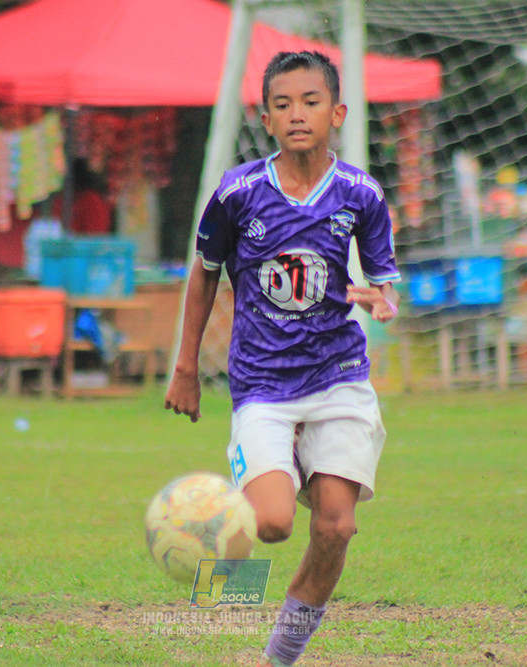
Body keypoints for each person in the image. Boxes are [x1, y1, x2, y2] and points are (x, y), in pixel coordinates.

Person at [164, 51, 401, 667]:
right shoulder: (238, 192)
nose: (298, 114)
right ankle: (243, 512)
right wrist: (186, 367)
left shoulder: (361, 194)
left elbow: (382, 279)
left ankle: (279, 657)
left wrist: (381, 299)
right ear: (266, 119)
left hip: (338, 378)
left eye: (311, 102)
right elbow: (205, 272)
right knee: (272, 524)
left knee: (336, 527)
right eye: (283, 104)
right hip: (263, 384)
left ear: (337, 114)